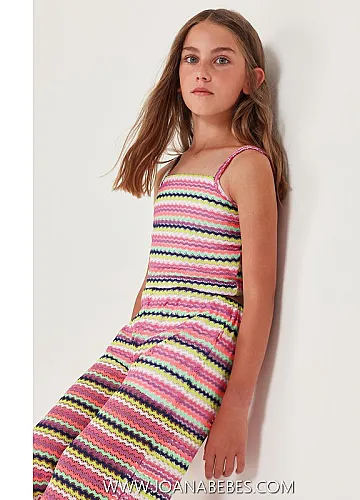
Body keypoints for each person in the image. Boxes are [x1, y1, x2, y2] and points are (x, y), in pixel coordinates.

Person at [33, 8, 289, 500]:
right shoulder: (173, 170)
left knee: (90, 480)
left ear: (251, 81)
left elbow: (259, 297)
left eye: (221, 60)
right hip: (141, 337)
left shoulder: (246, 165)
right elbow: (156, 276)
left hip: (195, 347)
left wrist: (237, 408)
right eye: (192, 59)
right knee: (40, 454)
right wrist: (128, 338)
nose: (202, 71)